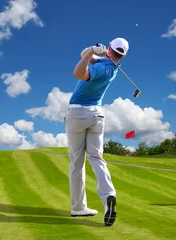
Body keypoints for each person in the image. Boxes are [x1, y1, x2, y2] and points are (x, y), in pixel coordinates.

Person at [64, 37, 129, 227]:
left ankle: (78, 207)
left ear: (110, 48)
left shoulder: (100, 68)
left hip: (77, 114)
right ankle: (108, 195)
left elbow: (78, 72)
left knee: (77, 162)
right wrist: (92, 50)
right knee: (96, 158)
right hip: (97, 116)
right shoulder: (111, 67)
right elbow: (83, 55)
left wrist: (94, 50)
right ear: (122, 56)